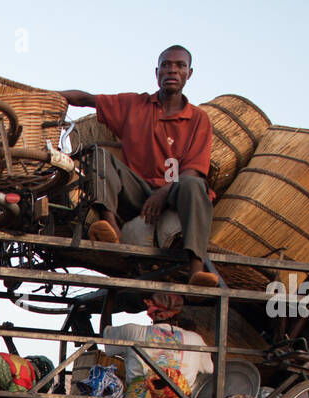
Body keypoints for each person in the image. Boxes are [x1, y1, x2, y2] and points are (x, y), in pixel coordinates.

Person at [60, 46, 219, 287]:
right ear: (157, 73)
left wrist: (164, 192)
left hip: (176, 191)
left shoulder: (198, 119)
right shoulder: (135, 104)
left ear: (190, 73)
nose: (172, 70)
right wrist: (45, 95)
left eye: (179, 66)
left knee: (194, 183)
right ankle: (109, 225)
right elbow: (85, 99)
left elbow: (193, 169)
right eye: (166, 65)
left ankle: (196, 267)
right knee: (97, 154)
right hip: (137, 193)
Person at [100, 293, 213, 398]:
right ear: (178, 313)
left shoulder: (132, 332)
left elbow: (105, 333)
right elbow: (209, 369)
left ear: (151, 311)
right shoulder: (195, 339)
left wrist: (109, 297)